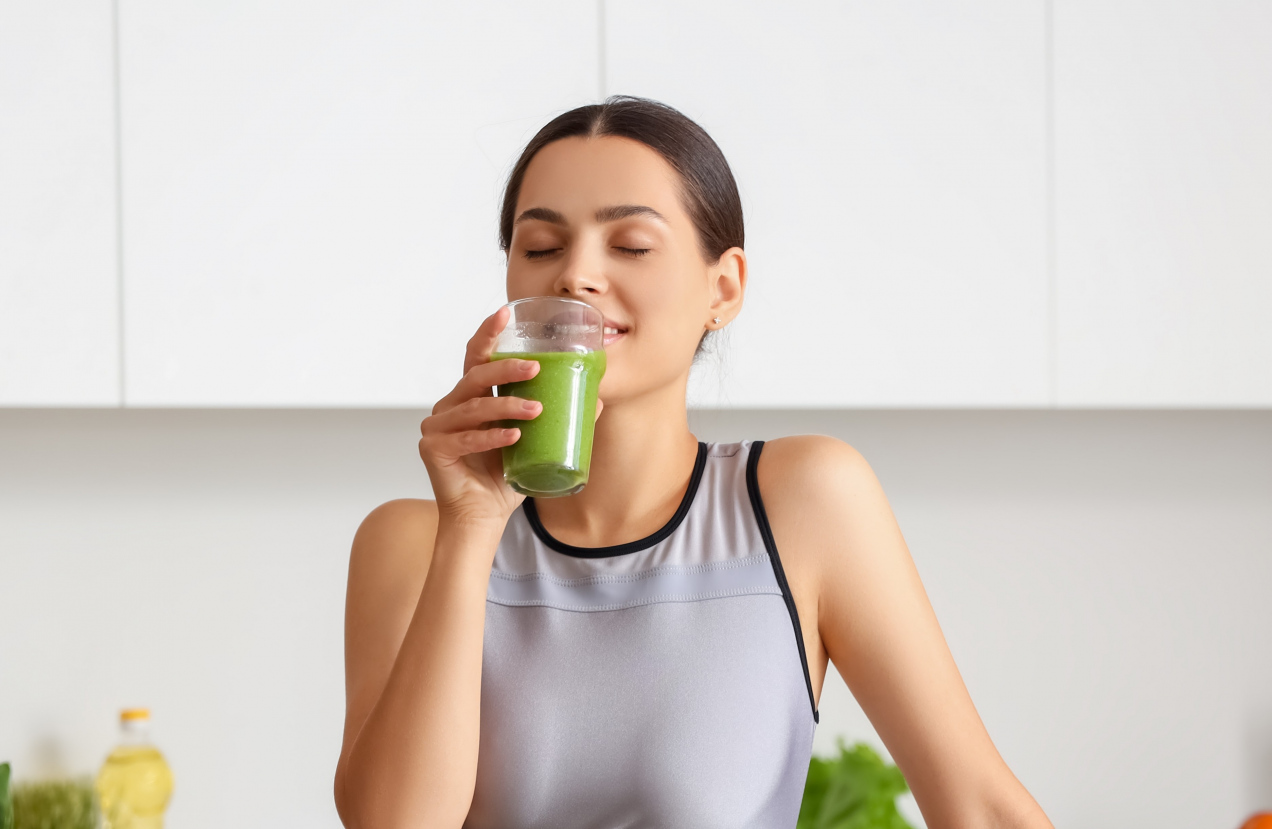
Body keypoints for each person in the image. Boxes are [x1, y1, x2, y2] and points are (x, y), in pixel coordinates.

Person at [332, 96, 1053, 829]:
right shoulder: (415, 542)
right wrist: (471, 528)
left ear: (723, 288)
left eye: (631, 245)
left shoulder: (804, 503)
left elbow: (981, 808)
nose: (576, 276)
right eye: (542, 247)